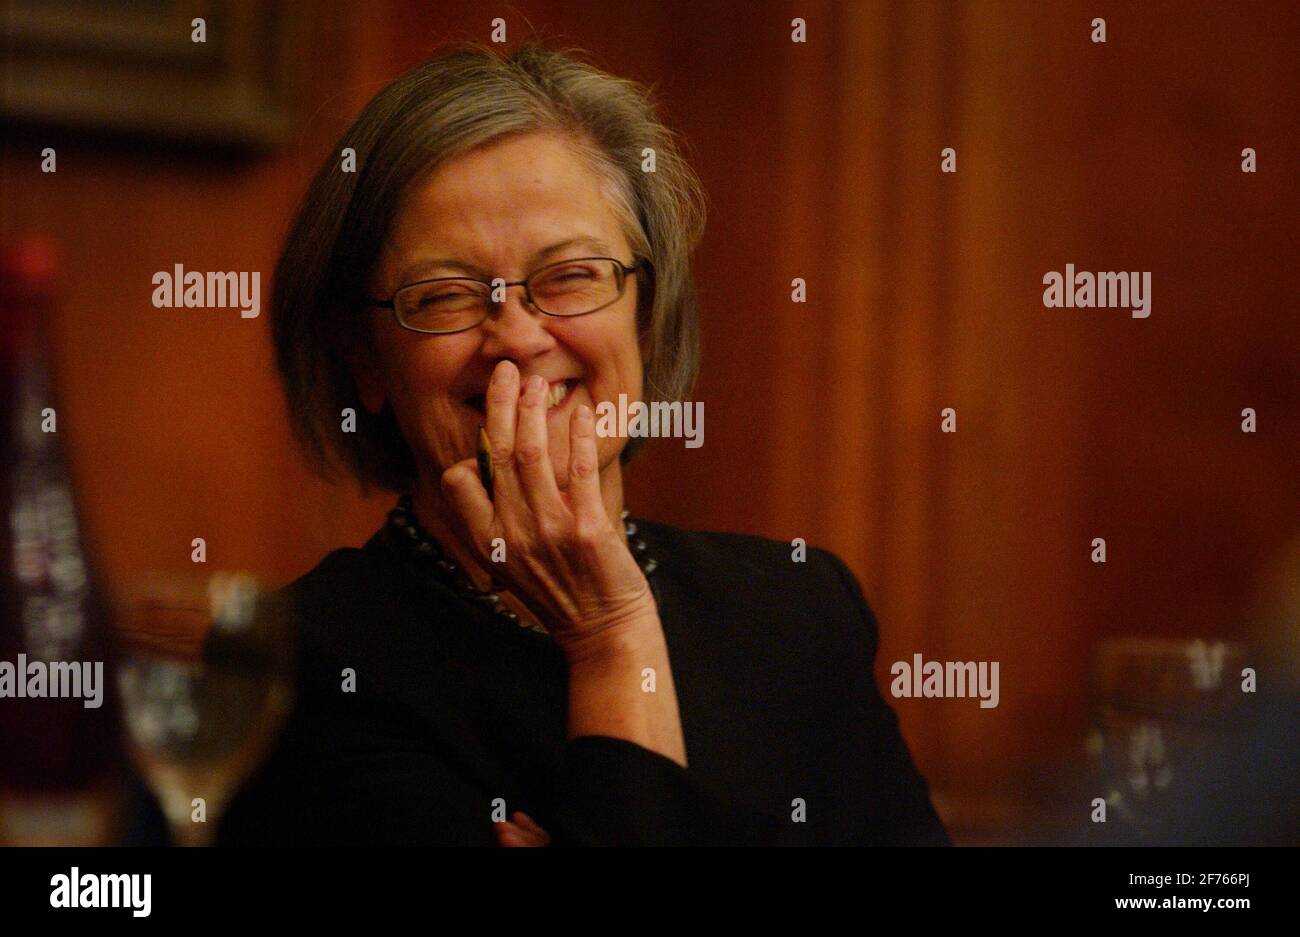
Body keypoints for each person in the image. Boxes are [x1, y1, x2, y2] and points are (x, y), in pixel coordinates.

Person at [216, 43, 950, 846]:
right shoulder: (294, 665)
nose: (519, 335)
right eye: (447, 295)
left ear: (646, 309)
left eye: (569, 276)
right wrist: (610, 638)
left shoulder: (799, 613)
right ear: (364, 359)